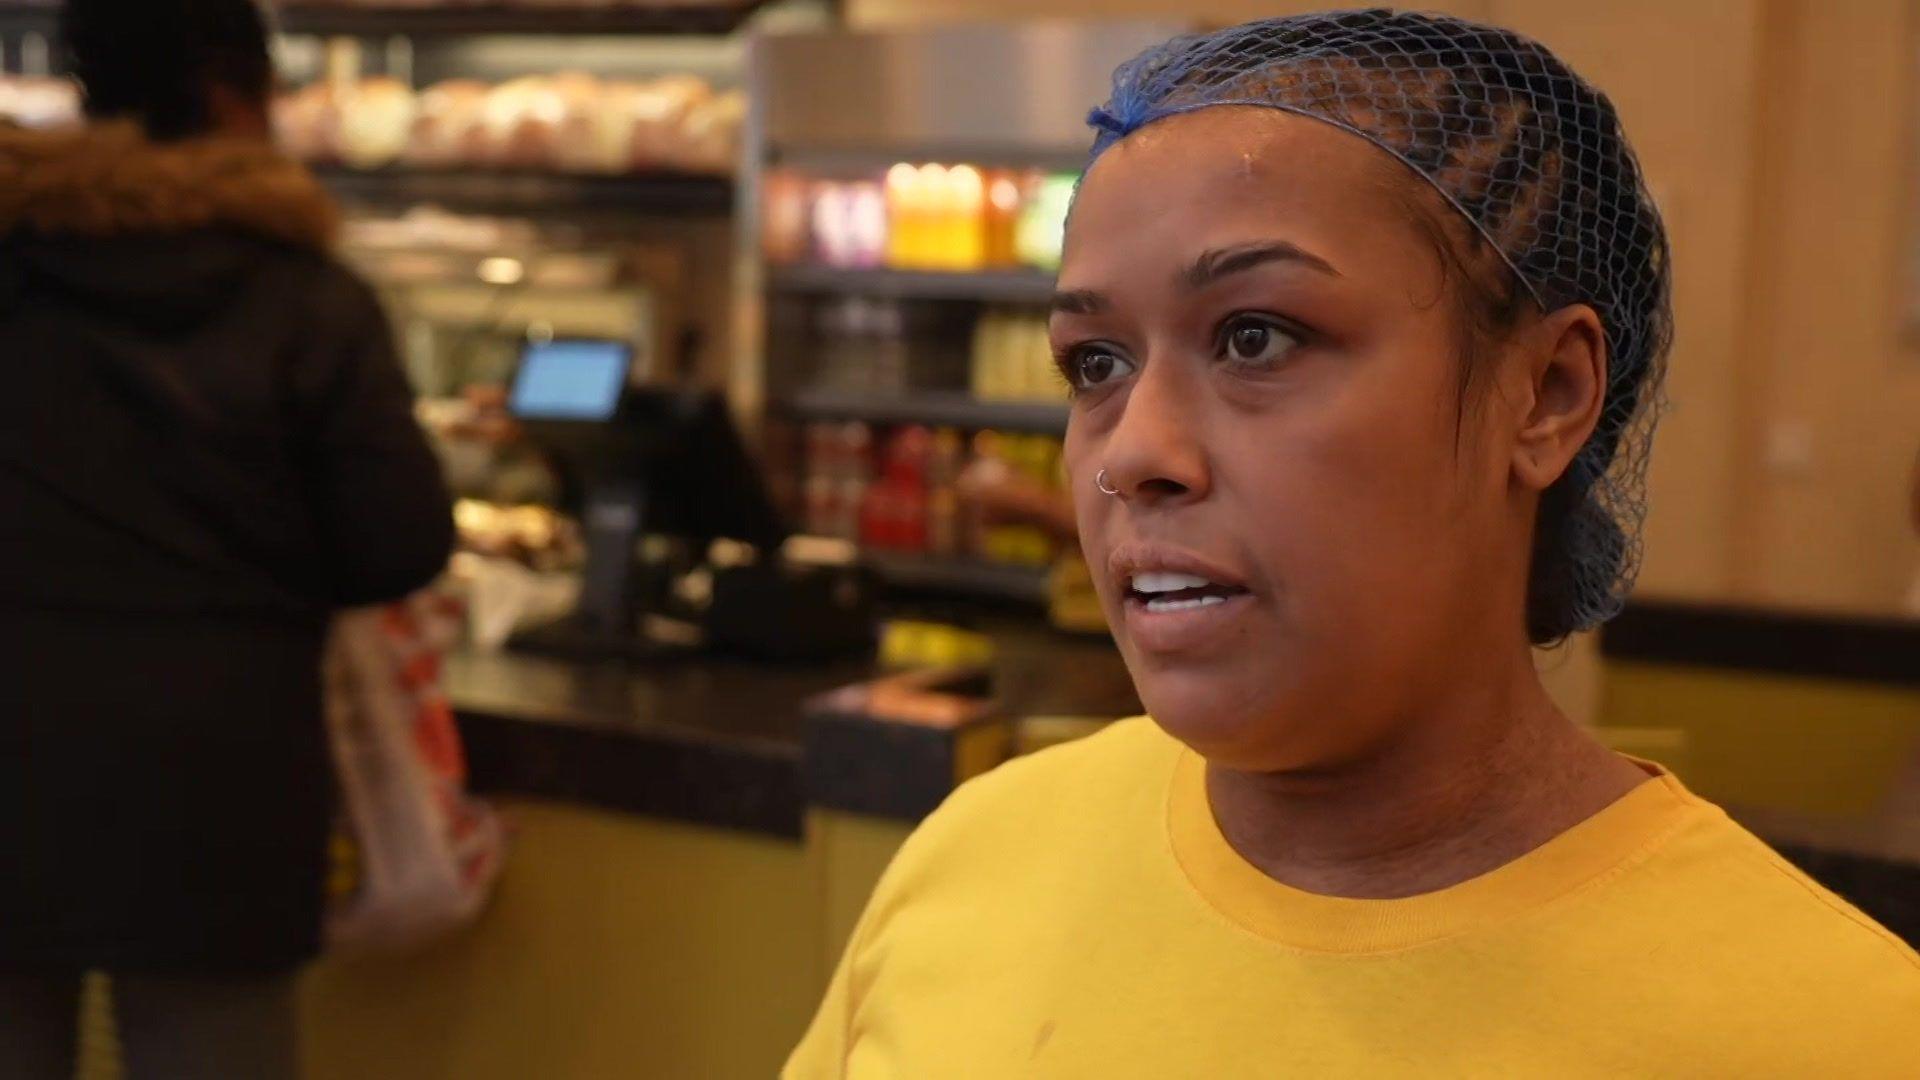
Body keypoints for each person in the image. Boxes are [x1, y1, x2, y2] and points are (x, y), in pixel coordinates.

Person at [787, 12, 1920, 1076]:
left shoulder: (1834, 1029)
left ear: (1547, 393)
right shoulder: (979, 855)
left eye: (1255, 337)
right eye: (1096, 362)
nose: (1133, 454)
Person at [0, 0, 452, 1074]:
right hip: (216, 791)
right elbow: (397, 545)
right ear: (229, 95)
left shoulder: (12, 271)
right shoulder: (306, 298)